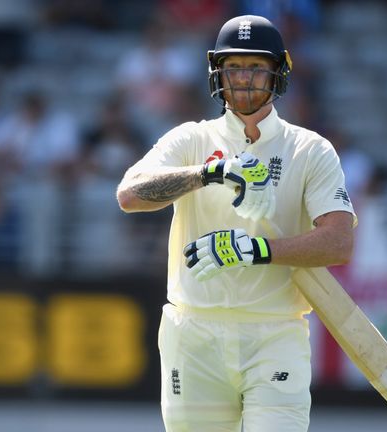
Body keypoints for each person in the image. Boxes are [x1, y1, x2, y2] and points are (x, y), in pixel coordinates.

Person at [116, 15, 356, 432]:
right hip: (194, 334)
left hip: (274, 333)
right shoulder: (190, 139)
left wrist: (256, 250)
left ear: (278, 72)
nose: (243, 79)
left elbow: (338, 242)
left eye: (255, 67)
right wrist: (208, 174)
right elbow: (129, 195)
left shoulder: (309, 150)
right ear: (217, 74)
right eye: (233, 67)